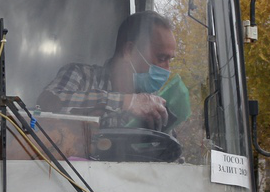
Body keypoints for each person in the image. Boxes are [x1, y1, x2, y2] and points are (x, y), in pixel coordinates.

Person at [37, 11, 188, 131]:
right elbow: (48, 102)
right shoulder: (81, 76)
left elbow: (169, 156)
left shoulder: (153, 107)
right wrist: (126, 102)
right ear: (129, 50)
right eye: (161, 58)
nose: (167, 69)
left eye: (170, 60)